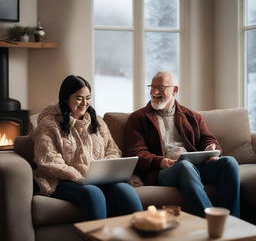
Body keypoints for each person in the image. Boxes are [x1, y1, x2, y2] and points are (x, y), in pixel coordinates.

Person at [125, 71, 240, 218]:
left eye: (161, 87)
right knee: (184, 166)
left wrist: (210, 147)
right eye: (151, 87)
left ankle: (233, 223)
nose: (154, 92)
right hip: (164, 172)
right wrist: (160, 161)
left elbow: (208, 139)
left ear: (175, 90)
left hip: (194, 167)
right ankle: (211, 220)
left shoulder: (192, 116)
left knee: (229, 163)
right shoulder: (138, 118)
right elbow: (135, 152)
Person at [31, 75, 143, 220]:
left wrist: (105, 171)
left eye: (88, 97)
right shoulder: (49, 124)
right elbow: (48, 160)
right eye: (79, 98)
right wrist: (80, 176)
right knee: (93, 194)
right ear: (66, 98)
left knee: (125, 190)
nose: (85, 103)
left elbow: (112, 149)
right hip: (63, 181)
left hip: (97, 178)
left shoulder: (97, 121)